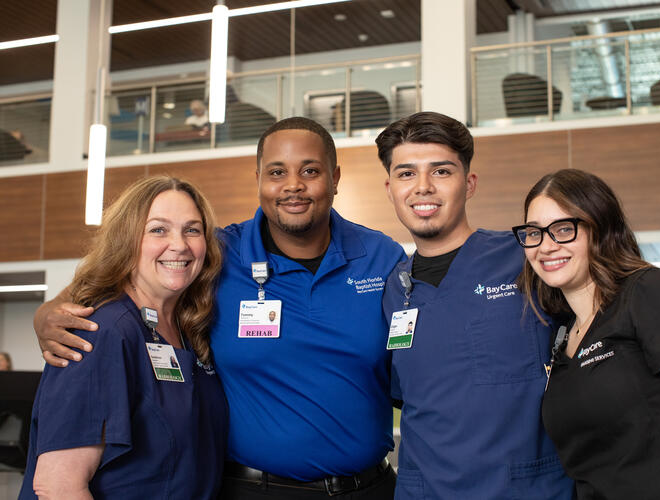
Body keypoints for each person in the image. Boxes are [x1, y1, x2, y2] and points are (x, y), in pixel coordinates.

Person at [33, 117, 403, 499]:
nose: (293, 185)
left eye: (310, 170)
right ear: (258, 178)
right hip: (255, 489)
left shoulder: (379, 255)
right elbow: (116, 278)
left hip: (371, 487)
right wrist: (47, 314)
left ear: (335, 177)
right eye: (277, 172)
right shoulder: (218, 253)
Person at [374, 111, 660, 499]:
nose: (423, 187)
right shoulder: (393, 288)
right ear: (389, 187)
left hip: (529, 489)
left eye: (441, 171)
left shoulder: (530, 258)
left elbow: (616, 298)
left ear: (469, 183)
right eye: (406, 173)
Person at [512, 168, 660, 499]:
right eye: (534, 233)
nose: (546, 246)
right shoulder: (564, 332)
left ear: (600, 228)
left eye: (564, 229)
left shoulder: (650, 291)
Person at [19, 176, 228, 499]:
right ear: (126, 239)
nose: (180, 244)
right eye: (158, 229)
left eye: (192, 229)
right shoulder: (102, 331)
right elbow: (58, 486)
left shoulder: (189, 332)